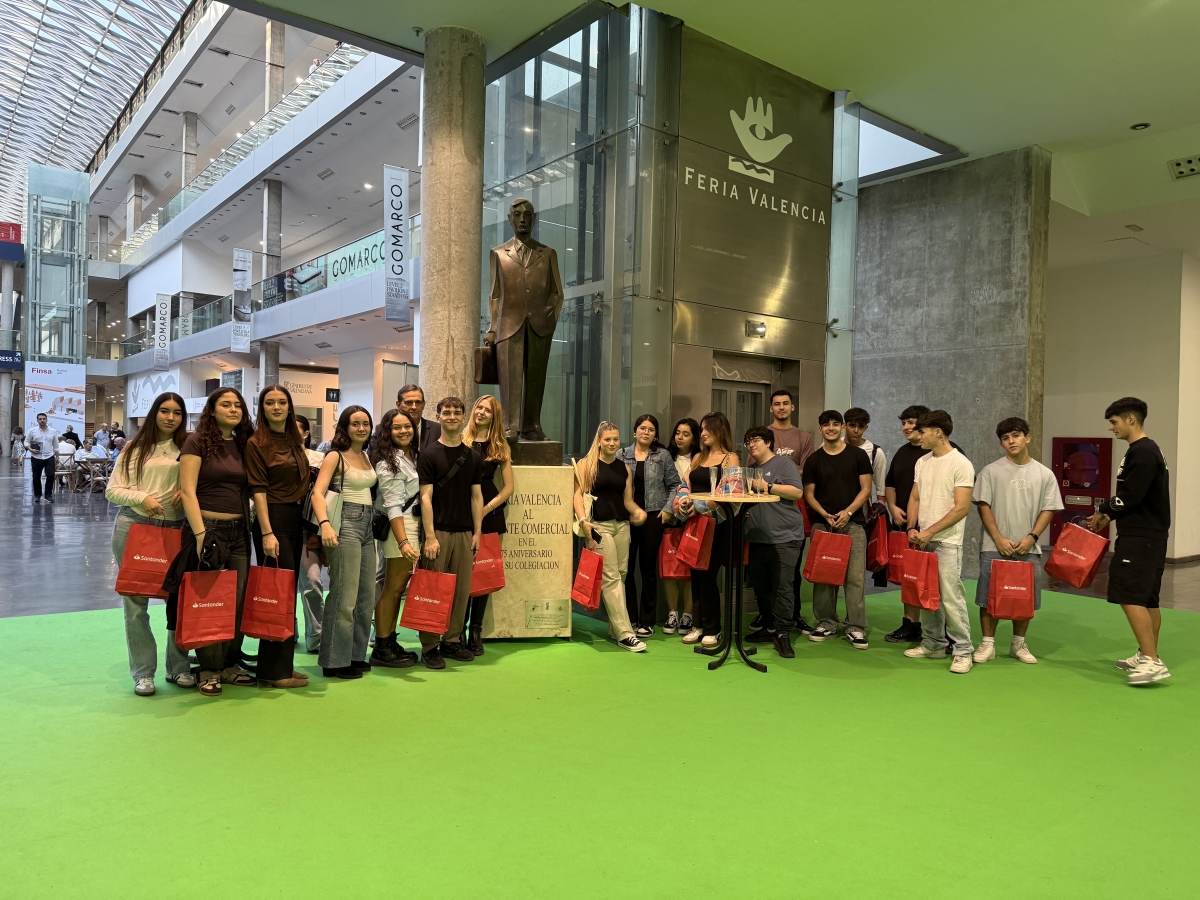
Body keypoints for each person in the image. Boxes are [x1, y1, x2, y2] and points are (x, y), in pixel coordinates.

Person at [106, 392, 193, 696]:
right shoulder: (134, 448)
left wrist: (189, 492)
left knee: (178, 602)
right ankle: (143, 673)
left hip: (178, 529)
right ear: (155, 413)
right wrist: (142, 497)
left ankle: (179, 666)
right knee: (135, 604)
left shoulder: (189, 447)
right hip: (135, 526)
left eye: (178, 412)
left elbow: (200, 483)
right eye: (165, 411)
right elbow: (113, 490)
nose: (171, 417)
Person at [176, 388, 257, 697]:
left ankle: (230, 664)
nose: (233, 409)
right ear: (212, 409)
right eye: (226, 404)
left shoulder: (242, 443)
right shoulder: (196, 441)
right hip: (207, 529)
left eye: (238, 405)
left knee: (237, 600)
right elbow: (187, 490)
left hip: (240, 531)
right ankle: (209, 668)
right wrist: (200, 535)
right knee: (209, 602)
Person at [1087, 397, 1173, 685]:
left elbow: (1132, 495)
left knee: (1129, 594)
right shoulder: (1143, 451)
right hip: (1149, 535)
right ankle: (1147, 654)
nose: (1111, 427)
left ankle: (1152, 661)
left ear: (1131, 420)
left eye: (1114, 422)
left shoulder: (1144, 452)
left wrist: (1103, 511)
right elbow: (1137, 497)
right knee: (1148, 598)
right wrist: (1109, 516)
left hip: (1141, 537)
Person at [972, 417, 1063, 666]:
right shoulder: (990, 471)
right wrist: (999, 538)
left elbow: (1049, 509)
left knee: (1023, 598)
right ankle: (987, 644)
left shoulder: (1045, 474)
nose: (1011, 441)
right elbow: (983, 505)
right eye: (1005, 438)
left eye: (1015, 435)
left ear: (1027, 438)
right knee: (988, 596)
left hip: (1028, 546)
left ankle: (1018, 644)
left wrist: (1032, 537)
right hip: (994, 546)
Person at [245, 385, 311, 689]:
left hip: (295, 520)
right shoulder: (256, 442)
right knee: (276, 593)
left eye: (281, 402)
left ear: (289, 406)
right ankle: (273, 671)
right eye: (270, 402)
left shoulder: (295, 440)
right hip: (273, 520)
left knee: (287, 592)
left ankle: (282, 664)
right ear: (262, 407)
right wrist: (268, 531)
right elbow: (258, 489)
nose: (276, 407)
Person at [903, 410, 976, 673]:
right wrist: (912, 527)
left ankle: (963, 650)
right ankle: (933, 643)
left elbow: (962, 508)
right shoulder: (922, 462)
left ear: (938, 432)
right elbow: (915, 498)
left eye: (921, 431)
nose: (916, 435)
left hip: (947, 542)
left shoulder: (961, 464)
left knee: (950, 597)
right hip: (923, 539)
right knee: (926, 595)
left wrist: (930, 532)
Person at [416, 397, 484, 668]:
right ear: (439, 416)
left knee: (461, 590)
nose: (452, 416)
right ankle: (430, 644)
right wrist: (429, 536)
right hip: (439, 532)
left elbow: (476, 496)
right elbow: (425, 498)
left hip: (465, 532)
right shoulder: (429, 454)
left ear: (464, 417)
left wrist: (477, 532)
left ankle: (452, 640)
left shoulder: (474, 456)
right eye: (447, 412)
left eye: (457, 412)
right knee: (432, 587)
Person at [312, 406, 378, 679]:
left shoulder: (366, 455)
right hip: (345, 523)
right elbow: (318, 493)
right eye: (355, 424)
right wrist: (325, 524)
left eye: (365, 424)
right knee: (343, 596)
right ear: (345, 427)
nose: (361, 428)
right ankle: (334, 661)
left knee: (365, 597)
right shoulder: (335, 456)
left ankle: (354, 655)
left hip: (367, 525)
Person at [572, 421, 648, 652]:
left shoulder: (623, 468)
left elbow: (627, 501)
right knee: (612, 578)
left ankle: (616, 628)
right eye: (608, 439)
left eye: (616, 439)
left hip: (622, 526)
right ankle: (626, 634)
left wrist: (638, 512)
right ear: (599, 441)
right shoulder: (587, 465)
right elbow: (578, 495)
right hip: (599, 526)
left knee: (621, 575)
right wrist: (584, 521)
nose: (613, 443)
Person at [801, 410, 874, 649]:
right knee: (823, 577)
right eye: (826, 425)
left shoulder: (858, 456)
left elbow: (866, 490)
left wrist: (848, 512)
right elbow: (809, 495)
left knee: (854, 579)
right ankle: (827, 622)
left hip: (853, 524)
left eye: (835, 424)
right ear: (820, 429)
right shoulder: (813, 460)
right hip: (824, 525)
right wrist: (825, 514)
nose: (831, 428)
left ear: (842, 427)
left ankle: (856, 626)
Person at [743, 426, 806, 658]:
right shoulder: (750, 469)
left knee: (783, 587)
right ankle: (768, 627)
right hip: (758, 537)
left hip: (785, 537)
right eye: (748, 441)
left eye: (755, 440)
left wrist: (767, 486)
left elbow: (796, 492)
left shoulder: (783, 464)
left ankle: (783, 634)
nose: (751, 444)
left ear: (769, 442)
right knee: (761, 587)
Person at [616, 414, 681, 638]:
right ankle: (630, 618)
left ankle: (647, 620)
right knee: (626, 569)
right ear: (635, 431)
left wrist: (667, 510)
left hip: (653, 518)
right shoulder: (621, 454)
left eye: (651, 429)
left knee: (647, 569)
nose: (646, 432)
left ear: (656, 434)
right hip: (626, 518)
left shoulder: (662, 456)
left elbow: (675, 485)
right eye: (642, 428)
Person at [678, 412, 738, 647]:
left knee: (708, 577)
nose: (702, 433)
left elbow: (730, 493)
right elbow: (684, 484)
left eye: (707, 429)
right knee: (695, 576)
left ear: (720, 430)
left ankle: (713, 628)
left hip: (716, 525)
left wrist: (699, 506)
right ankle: (698, 625)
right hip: (694, 524)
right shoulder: (698, 458)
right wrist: (683, 500)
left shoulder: (730, 458)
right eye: (701, 429)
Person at [367, 409, 422, 668]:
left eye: (407, 426)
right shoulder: (387, 461)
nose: (403, 431)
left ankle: (389, 640)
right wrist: (404, 542)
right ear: (387, 432)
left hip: (413, 525)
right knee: (392, 589)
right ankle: (382, 647)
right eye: (396, 428)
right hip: (401, 528)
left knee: (397, 588)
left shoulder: (412, 455)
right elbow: (392, 506)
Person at [462, 395, 515, 655]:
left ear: (495, 417)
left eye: (488, 410)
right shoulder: (461, 440)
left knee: (483, 573)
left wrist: (484, 510)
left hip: (489, 514)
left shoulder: (499, 446)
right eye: (479, 408)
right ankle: (457, 629)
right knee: (462, 572)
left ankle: (476, 630)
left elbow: (508, 488)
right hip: (461, 513)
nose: (481, 412)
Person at [882, 405, 933, 642]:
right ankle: (911, 625)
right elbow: (890, 484)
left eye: (911, 422)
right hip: (904, 527)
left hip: (932, 528)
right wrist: (892, 507)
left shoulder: (942, 453)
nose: (906, 427)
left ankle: (938, 631)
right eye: (903, 423)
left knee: (932, 581)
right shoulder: (902, 452)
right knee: (908, 578)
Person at [767, 389, 816, 633]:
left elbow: (807, 471)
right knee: (767, 566)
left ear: (792, 407)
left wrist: (775, 474)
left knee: (792, 567)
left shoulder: (804, 437)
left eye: (786, 403)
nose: (782, 408)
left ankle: (794, 615)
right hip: (766, 507)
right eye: (777, 404)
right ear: (771, 409)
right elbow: (756, 470)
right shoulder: (764, 434)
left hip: (794, 507)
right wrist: (788, 471)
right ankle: (767, 617)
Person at [843, 407, 888, 588]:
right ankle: (827, 615)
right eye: (852, 425)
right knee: (830, 562)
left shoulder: (875, 452)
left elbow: (881, 485)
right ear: (844, 425)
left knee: (856, 565)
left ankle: (853, 614)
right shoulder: (830, 445)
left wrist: (879, 506)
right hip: (831, 508)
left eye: (860, 426)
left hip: (861, 513)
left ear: (866, 428)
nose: (856, 430)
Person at [663, 418, 700, 634]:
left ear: (694, 437)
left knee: (689, 568)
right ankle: (672, 613)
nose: (680, 437)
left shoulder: (700, 459)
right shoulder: (665, 456)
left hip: (693, 517)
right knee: (669, 567)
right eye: (678, 432)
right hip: (670, 518)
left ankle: (688, 615)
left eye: (686, 434)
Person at [295, 415, 326, 653]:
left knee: (313, 581)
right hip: (281, 530)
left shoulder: (320, 458)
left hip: (310, 532)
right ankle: (284, 631)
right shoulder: (273, 456)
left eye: (297, 430)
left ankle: (316, 637)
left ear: (306, 433)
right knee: (281, 585)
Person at [25, 412, 60, 503]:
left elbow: (56, 445)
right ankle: (37, 495)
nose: (42, 420)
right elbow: (26, 442)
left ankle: (48, 495)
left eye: (44, 419)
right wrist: (30, 449)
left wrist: (57, 456)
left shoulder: (53, 431)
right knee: (36, 477)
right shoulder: (32, 431)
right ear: (37, 420)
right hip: (36, 457)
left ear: (47, 420)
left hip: (49, 456)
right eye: (40, 419)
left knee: (50, 475)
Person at [397, 384, 441, 452]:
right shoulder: (385, 429)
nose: (414, 407)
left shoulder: (438, 430)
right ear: (398, 405)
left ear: (423, 405)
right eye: (408, 403)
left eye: (418, 403)